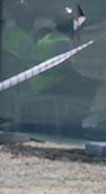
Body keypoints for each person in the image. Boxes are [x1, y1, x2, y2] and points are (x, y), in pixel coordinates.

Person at [29, 5, 100, 135]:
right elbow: (68, 71)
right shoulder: (62, 41)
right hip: (47, 84)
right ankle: (75, 125)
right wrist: (88, 80)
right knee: (88, 88)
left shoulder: (48, 38)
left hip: (36, 83)